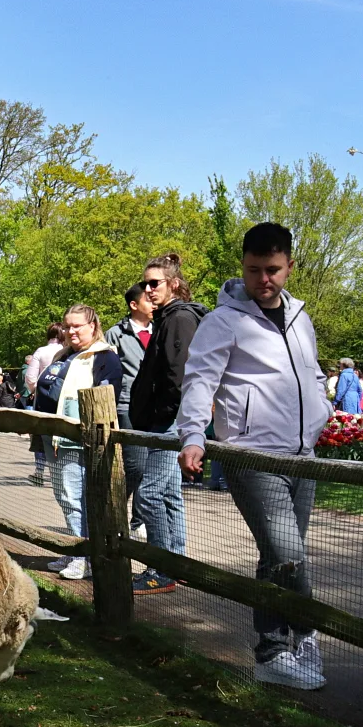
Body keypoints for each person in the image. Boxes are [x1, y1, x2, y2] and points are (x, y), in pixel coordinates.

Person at [175, 221, 332, 691]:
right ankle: (306, 634)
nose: (263, 279)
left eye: (273, 270)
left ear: (289, 266)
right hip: (252, 455)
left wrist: (321, 413)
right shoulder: (223, 321)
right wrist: (193, 436)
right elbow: (199, 381)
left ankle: (273, 652)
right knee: (289, 554)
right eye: (254, 270)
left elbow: (313, 374)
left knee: (278, 558)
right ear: (242, 266)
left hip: (302, 456)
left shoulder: (300, 318)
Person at [128, 254, 206, 593]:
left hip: (168, 422)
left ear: (173, 284)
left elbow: (179, 375)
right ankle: (176, 563)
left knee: (148, 495)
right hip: (164, 421)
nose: (148, 289)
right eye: (145, 283)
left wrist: (165, 416)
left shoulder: (179, 319)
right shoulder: (167, 318)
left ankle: (161, 570)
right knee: (170, 495)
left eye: (154, 283)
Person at [34, 305, 120, 582]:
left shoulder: (104, 358)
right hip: (53, 435)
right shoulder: (64, 356)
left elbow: (105, 398)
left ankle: (84, 557)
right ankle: (74, 550)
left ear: (92, 326)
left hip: (75, 439)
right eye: (67, 326)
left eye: (77, 326)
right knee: (63, 495)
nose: (70, 331)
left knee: (74, 497)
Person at [106, 284, 155, 546]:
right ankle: (114, 513)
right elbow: (109, 372)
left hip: (156, 407)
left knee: (152, 466)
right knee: (136, 465)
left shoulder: (161, 329)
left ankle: (138, 520)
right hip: (127, 405)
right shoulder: (116, 334)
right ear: (134, 305)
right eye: (147, 299)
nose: (153, 302)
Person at [22, 322, 67, 484]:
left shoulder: (41, 351)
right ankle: (60, 473)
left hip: (43, 398)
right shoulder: (68, 351)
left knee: (41, 435)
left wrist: (36, 390)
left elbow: (30, 377)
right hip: (63, 398)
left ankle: (39, 472)